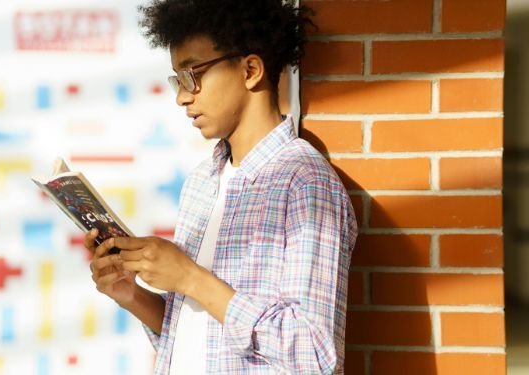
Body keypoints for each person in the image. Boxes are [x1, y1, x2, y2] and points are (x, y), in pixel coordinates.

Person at [85, 0, 358, 373]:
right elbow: (200, 335)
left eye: (192, 75)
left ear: (250, 70)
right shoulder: (202, 182)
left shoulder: (304, 183)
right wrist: (131, 294)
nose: (182, 96)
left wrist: (190, 278)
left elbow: (314, 356)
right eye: (177, 80)